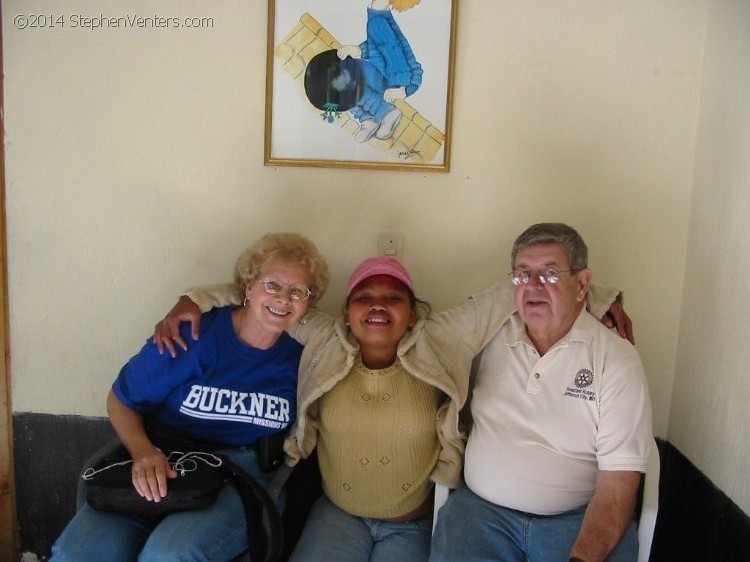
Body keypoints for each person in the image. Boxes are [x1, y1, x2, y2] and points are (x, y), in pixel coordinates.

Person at [153, 254, 629, 562]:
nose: (377, 306)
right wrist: (192, 298)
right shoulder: (323, 336)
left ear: (413, 312)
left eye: (392, 298)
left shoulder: (442, 338)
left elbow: (517, 289)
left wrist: (600, 296)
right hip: (336, 517)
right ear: (345, 312)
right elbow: (265, 293)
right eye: (364, 297)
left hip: (414, 525)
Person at [50, 233, 330, 562]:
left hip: (242, 476)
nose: (283, 298)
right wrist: (143, 452)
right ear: (248, 287)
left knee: (170, 554)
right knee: (77, 553)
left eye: (298, 291)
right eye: (272, 285)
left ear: (308, 304)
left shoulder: (308, 356)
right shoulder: (191, 334)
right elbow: (122, 400)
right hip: (163, 460)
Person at [429, 223, 653, 562]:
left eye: (549, 273)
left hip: (577, 520)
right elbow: (433, 335)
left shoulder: (616, 358)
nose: (532, 285)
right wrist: (544, 285)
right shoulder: (489, 334)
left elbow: (618, 482)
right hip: (481, 515)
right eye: (522, 275)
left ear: (582, 285)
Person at [338, 0, 424, 143]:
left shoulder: (377, 21)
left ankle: (386, 113)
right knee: (344, 72)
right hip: (388, 72)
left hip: (399, 77)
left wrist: (400, 87)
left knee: (346, 77)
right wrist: (359, 50)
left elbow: (394, 53)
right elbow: (378, 45)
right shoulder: (378, 15)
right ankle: (369, 120)